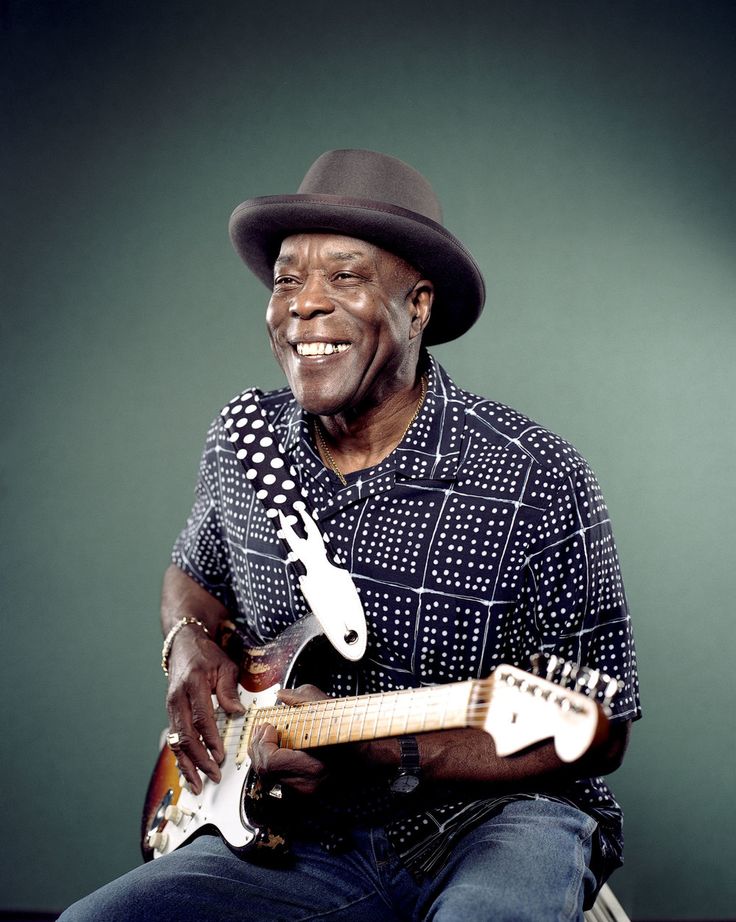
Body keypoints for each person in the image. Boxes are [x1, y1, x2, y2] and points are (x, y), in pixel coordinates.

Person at [61, 149, 640, 921]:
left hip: (500, 821)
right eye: (287, 278)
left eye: (345, 276)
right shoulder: (245, 442)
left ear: (418, 305)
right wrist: (187, 644)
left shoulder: (534, 475)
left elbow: (598, 731)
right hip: (298, 835)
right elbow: (190, 573)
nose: (302, 304)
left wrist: (383, 757)